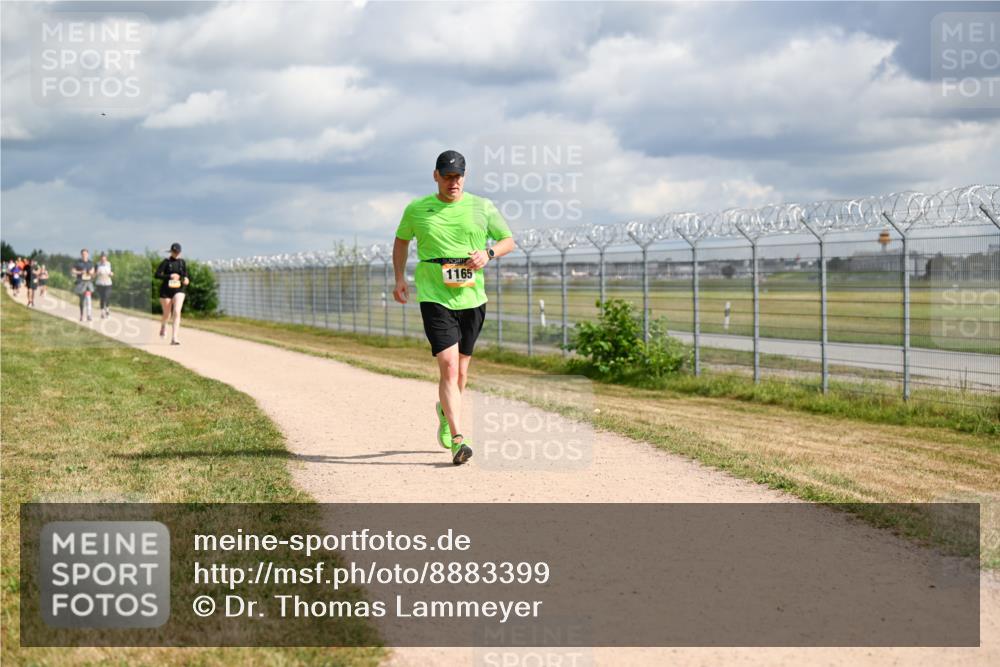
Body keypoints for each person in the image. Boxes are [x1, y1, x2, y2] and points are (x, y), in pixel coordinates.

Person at [392, 150, 516, 465]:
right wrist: (399, 278)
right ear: (436, 176)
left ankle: (446, 413)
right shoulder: (417, 209)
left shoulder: (482, 206)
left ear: (465, 176)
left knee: (461, 371)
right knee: (448, 365)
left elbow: (508, 240)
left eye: (458, 176)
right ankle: (459, 439)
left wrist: (488, 253)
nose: (453, 182)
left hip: (473, 298)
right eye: (447, 176)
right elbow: (401, 241)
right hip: (434, 294)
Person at [155, 242, 189, 345]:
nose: (176, 254)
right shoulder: (166, 262)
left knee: (177, 311)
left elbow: (185, 276)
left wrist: (185, 279)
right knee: (167, 314)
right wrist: (169, 276)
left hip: (179, 290)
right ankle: (163, 325)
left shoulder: (182, 262)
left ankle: (174, 338)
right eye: (174, 252)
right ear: (171, 252)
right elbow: (157, 275)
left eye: (178, 252)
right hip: (166, 291)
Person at [71, 249, 96, 321]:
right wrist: (80, 272)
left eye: (85, 254)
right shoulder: (78, 263)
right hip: (80, 283)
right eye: (83, 254)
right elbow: (73, 271)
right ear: (81, 255)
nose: (84, 255)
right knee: (82, 300)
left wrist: (91, 273)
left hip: (88, 282)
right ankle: (82, 315)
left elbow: (93, 272)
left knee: (88, 299)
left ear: (88, 254)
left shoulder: (90, 263)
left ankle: (89, 315)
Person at [95, 253, 114, 319]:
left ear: (106, 258)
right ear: (100, 258)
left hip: (108, 283)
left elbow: (112, 272)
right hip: (100, 283)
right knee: (102, 298)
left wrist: (111, 274)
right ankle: (102, 312)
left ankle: (107, 310)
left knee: (107, 296)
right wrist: (97, 273)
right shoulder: (97, 264)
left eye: (104, 258)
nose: (103, 259)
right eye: (102, 258)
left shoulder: (109, 264)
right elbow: (94, 273)